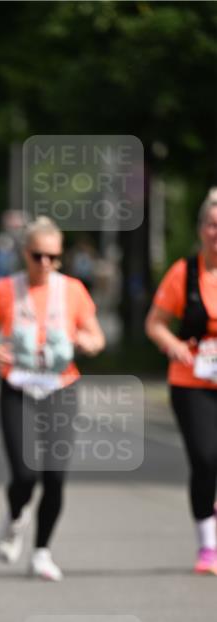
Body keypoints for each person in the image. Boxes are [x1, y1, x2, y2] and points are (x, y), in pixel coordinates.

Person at [0, 216, 105, 581]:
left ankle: (41, 552)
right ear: (25, 253)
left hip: (60, 387)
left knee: (55, 476)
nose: (45, 263)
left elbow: (96, 336)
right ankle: (16, 516)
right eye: (38, 256)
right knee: (24, 473)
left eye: (53, 257)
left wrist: (88, 343)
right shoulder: (5, 289)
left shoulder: (73, 290)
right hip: (17, 386)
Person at [145, 188, 217, 575]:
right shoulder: (184, 272)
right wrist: (173, 344)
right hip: (192, 381)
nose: (216, 233)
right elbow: (155, 324)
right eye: (211, 225)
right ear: (201, 229)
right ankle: (208, 546)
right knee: (205, 459)